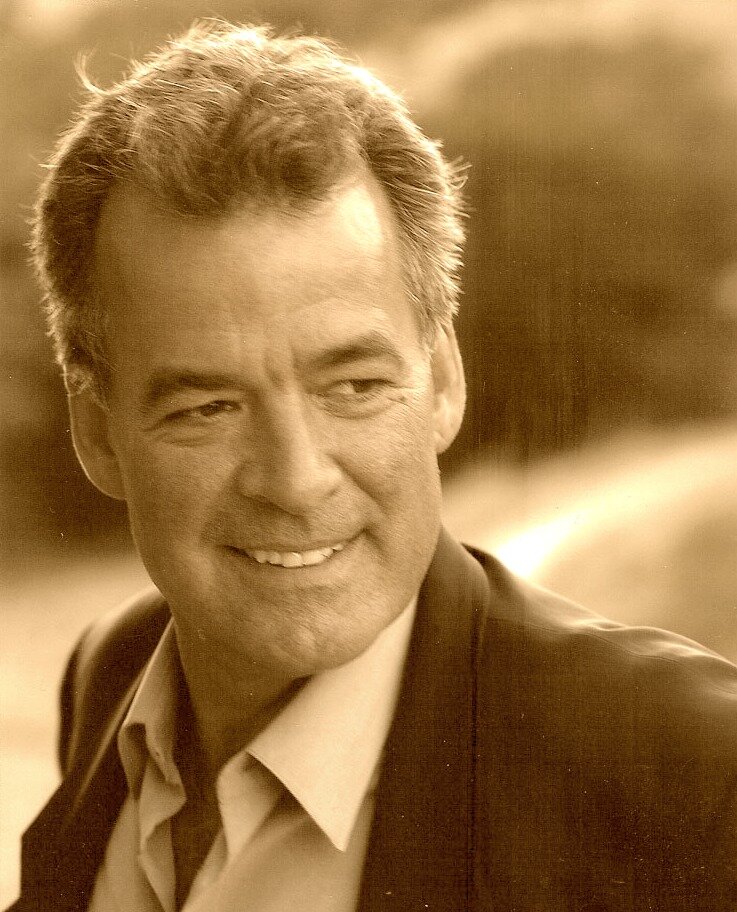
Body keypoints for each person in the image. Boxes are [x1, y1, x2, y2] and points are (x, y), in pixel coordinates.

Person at [10, 20, 737, 912]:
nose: (295, 480)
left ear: (443, 382)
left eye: (353, 386)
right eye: (207, 407)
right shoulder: (113, 676)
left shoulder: (694, 778)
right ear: (96, 434)